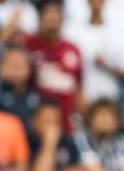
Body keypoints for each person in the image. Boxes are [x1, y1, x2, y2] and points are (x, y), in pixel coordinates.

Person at [24, 0, 83, 134]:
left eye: (57, 12)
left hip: (67, 125)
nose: (53, 17)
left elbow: (79, 89)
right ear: (39, 16)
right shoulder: (27, 46)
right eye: (48, 12)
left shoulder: (73, 50)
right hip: (36, 127)